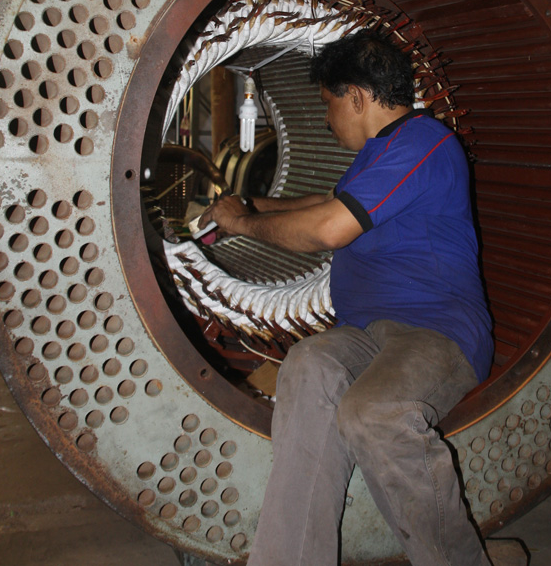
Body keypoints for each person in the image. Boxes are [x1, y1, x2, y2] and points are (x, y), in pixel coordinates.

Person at [200, 31, 494, 566]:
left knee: (373, 410)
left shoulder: (423, 142)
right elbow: (327, 200)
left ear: (356, 97)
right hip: (369, 334)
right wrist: (246, 205)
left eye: (328, 103)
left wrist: (242, 224)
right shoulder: (381, 154)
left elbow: (332, 227)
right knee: (309, 363)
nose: (329, 119)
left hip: (437, 332)